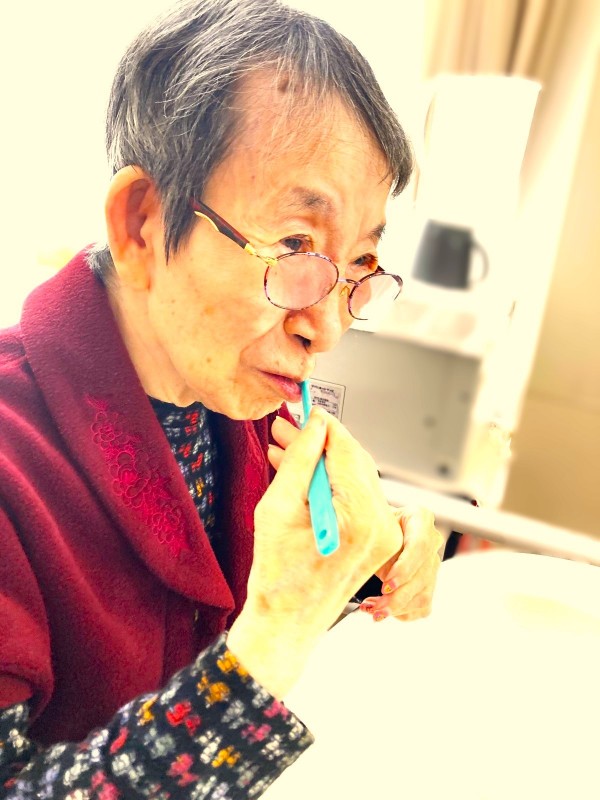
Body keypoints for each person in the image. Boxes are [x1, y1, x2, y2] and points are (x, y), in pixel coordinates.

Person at [0, 0, 443, 797]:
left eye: (359, 265)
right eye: (295, 245)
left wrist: (367, 566)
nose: (325, 330)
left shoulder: (248, 408)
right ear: (141, 224)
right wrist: (277, 630)